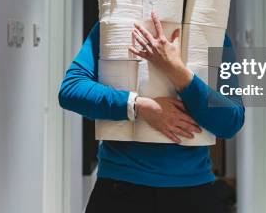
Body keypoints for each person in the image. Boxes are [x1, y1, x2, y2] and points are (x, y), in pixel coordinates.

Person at [59, 12, 244, 213]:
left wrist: (176, 71)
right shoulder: (117, 26)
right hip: (120, 188)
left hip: (192, 190)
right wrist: (138, 106)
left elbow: (231, 122)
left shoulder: (212, 33)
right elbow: (71, 90)